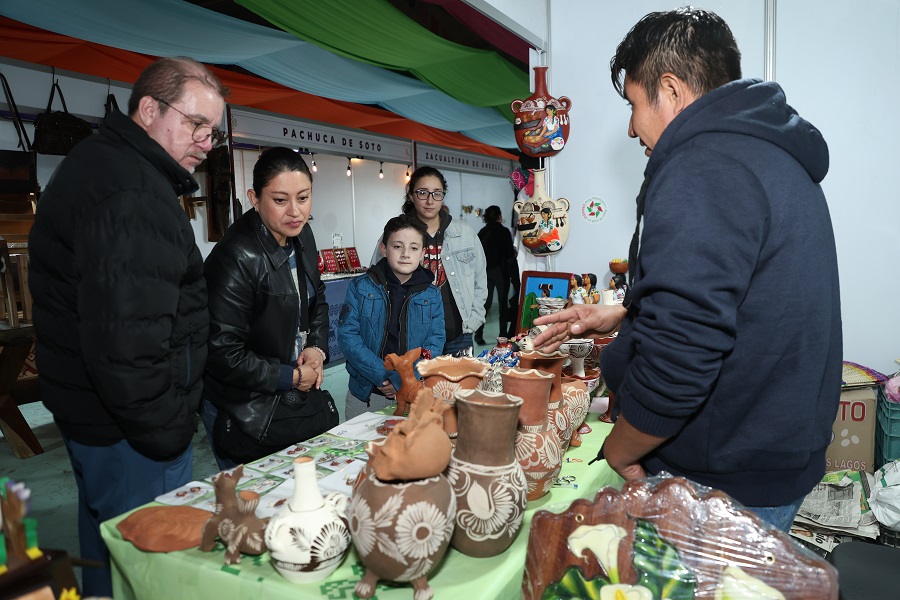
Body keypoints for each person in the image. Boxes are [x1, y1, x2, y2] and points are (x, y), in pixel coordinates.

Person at [533, 7, 841, 533]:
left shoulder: (705, 164)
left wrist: (621, 448)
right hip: (771, 457)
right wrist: (625, 314)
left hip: (721, 479)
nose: (632, 127)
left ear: (671, 90)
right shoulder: (767, 153)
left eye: (633, 104)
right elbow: (746, 298)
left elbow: (683, 354)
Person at [27, 57, 227, 596]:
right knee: (147, 574)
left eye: (213, 131)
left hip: (98, 417)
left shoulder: (109, 165)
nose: (206, 142)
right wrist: (168, 430)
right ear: (149, 109)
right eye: (195, 124)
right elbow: (128, 342)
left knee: (108, 557)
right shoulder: (133, 191)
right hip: (131, 430)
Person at [202, 147, 336, 468]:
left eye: (303, 198)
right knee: (254, 495)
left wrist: (316, 347)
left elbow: (316, 298)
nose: (295, 211)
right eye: (280, 200)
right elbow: (223, 354)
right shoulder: (235, 257)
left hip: (290, 393)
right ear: (254, 199)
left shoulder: (303, 235)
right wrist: (292, 376)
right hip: (244, 407)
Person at [372, 166, 486, 356]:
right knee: (417, 377)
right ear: (411, 195)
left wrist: (474, 318)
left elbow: (480, 279)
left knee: (461, 377)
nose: (430, 200)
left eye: (437, 193)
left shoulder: (464, 233)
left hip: (459, 334)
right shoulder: (396, 233)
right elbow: (376, 280)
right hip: (413, 338)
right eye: (423, 192)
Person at [339, 214, 445, 420]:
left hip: (413, 393)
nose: (405, 254)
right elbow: (348, 337)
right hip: (366, 394)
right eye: (397, 246)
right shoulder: (360, 287)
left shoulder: (432, 295)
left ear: (423, 253)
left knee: (410, 440)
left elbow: (435, 342)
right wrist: (384, 375)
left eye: (414, 248)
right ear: (383, 248)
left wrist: (405, 379)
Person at [475, 205, 516, 345]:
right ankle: (502, 335)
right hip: (501, 271)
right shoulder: (504, 231)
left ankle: (478, 335)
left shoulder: (482, 232)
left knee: (485, 305)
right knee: (502, 304)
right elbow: (509, 254)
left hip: (485, 272)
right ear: (499, 216)